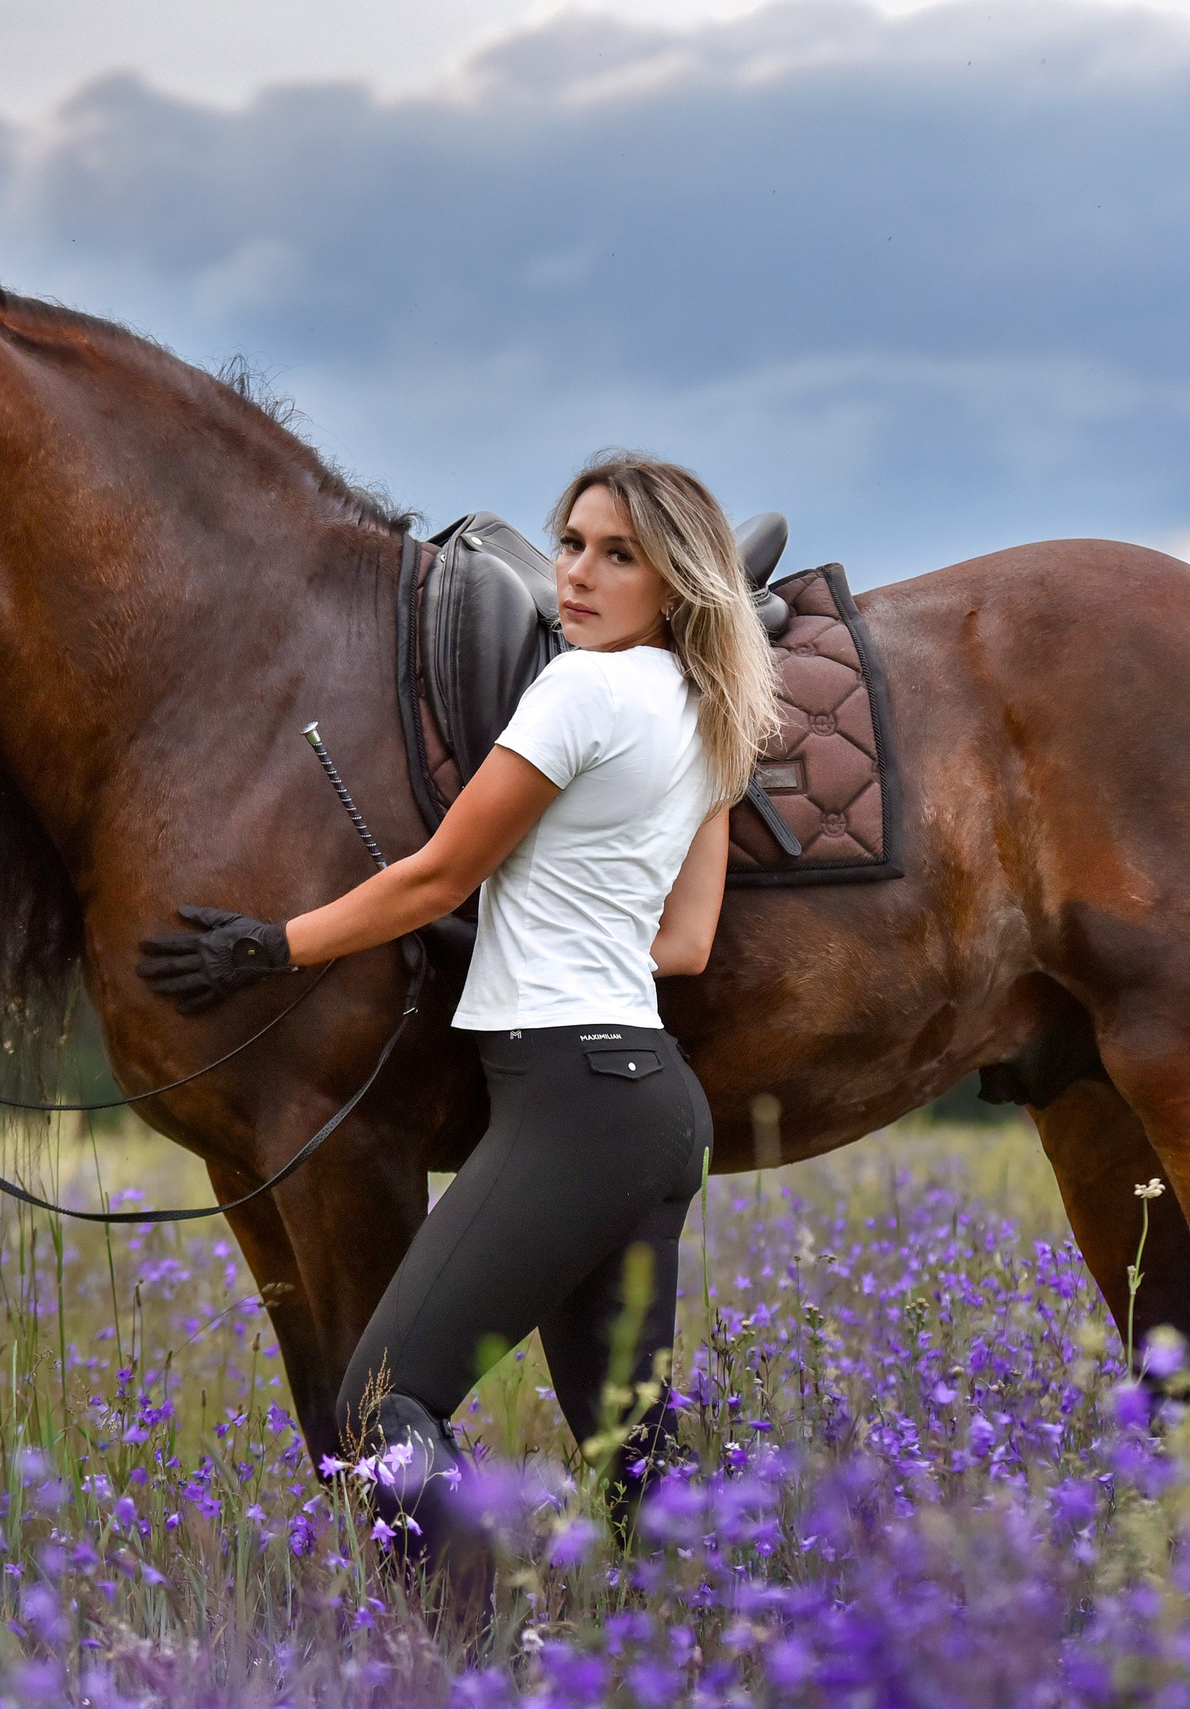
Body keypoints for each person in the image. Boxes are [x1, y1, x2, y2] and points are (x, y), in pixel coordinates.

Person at [136, 453, 780, 1573]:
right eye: (571, 543)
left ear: (673, 583)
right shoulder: (707, 709)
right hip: (656, 1111)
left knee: (379, 1404)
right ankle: (723, 1650)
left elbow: (435, 878)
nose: (576, 574)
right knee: (633, 1455)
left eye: (616, 554)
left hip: (571, 1102)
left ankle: (475, 1641)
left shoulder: (579, 689)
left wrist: (269, 945)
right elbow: (682, 944)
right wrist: (543, 932)